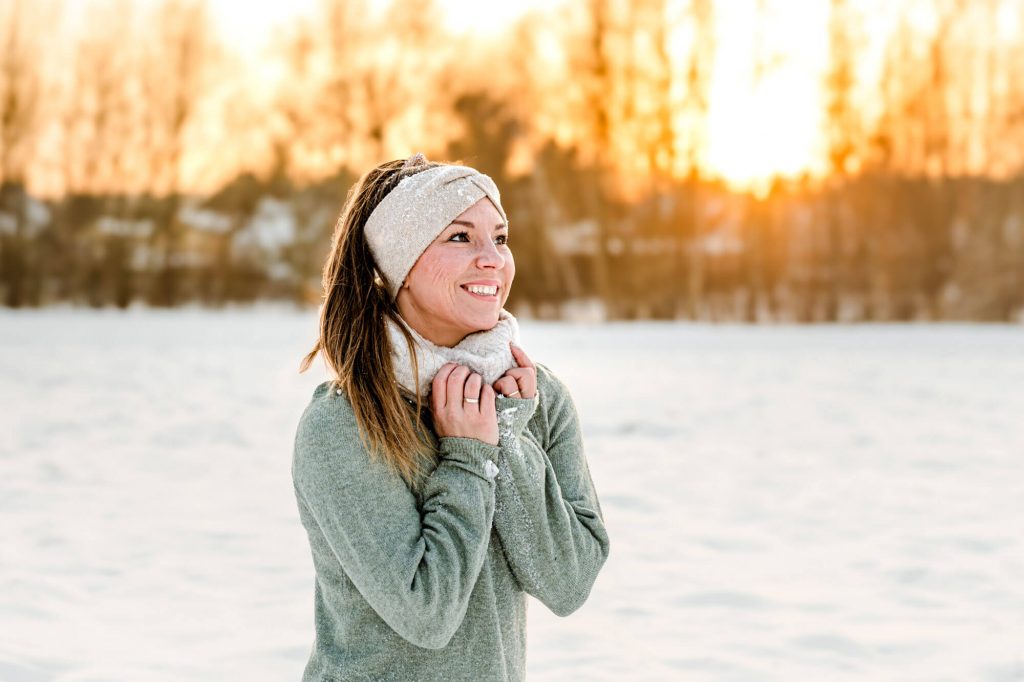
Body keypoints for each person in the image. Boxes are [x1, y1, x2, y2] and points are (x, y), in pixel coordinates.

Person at [292, 153, 610, 681]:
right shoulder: (344, 422)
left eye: (501, 238)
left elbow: (570, 583)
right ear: (402, 266)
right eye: (460, 237)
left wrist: (506, 435)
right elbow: (427, 614)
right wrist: (467, 457)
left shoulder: (534, 396)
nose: (492, 259)